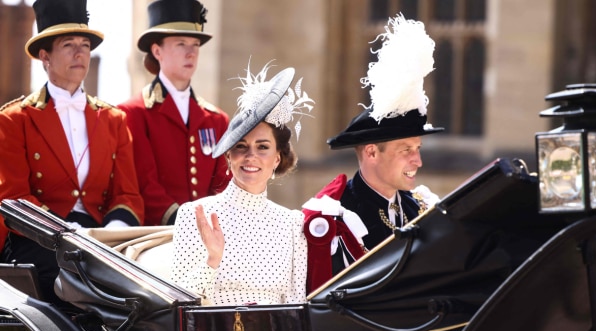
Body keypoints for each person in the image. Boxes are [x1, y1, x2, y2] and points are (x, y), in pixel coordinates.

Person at [0, 0, 144, 306]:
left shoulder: (113, 120)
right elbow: (13, 198)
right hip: (39, 239)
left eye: (85, 45)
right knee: (74, 275)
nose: (81, 53)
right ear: (45, 56)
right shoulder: (14, 119)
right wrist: (67, 232)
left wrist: (113, 233)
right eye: (69, 45)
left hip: (101, 239)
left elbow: (128, 195)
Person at [303, 14, 442, 292]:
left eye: (418, 149)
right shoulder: (336, 217)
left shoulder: (420, 207)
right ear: (371, 152)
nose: (418, 161)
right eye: (406, 150)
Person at [171, 63, 314, 306]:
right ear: (229, 157)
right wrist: (213, 259)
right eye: (240, 146)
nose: (251, 156)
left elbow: (296, 303)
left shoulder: (293, 223)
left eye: (262, 147)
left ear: (277, 157)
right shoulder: (194, 214)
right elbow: (176, 300)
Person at [118, 0, 230, 226]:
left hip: (211, 235)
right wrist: (184, 222)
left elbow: (223, 184)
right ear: (157, 51)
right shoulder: (133, 113)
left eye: (196, 45)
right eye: (181, 44)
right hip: (157, 235)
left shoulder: (217, 119)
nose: (191, 53)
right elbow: (144, 183)